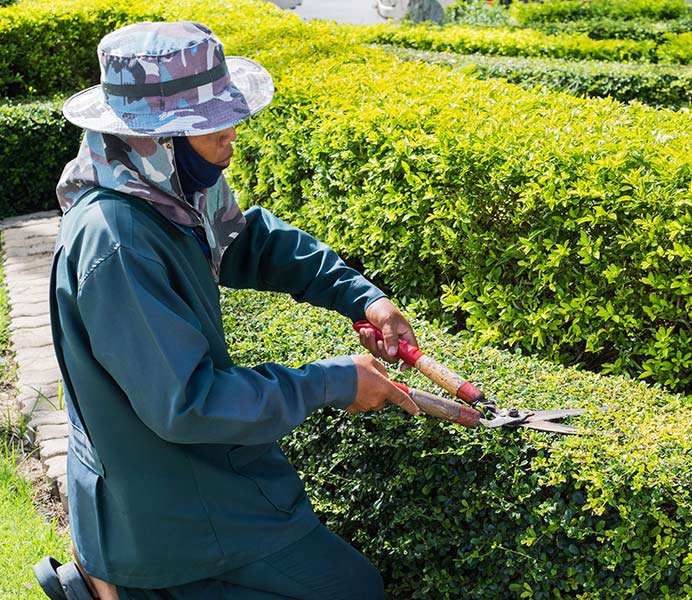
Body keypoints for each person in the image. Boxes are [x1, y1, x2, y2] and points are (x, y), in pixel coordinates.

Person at [35, 20, 420, 600]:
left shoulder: (165, 191)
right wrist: (331, 381)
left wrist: (364, 297)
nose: (232, 132)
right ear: (158, 138)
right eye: (211, 121)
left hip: (187, 484)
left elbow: (247, 241)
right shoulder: (117, 238)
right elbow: (188, 404)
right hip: (170, 514)